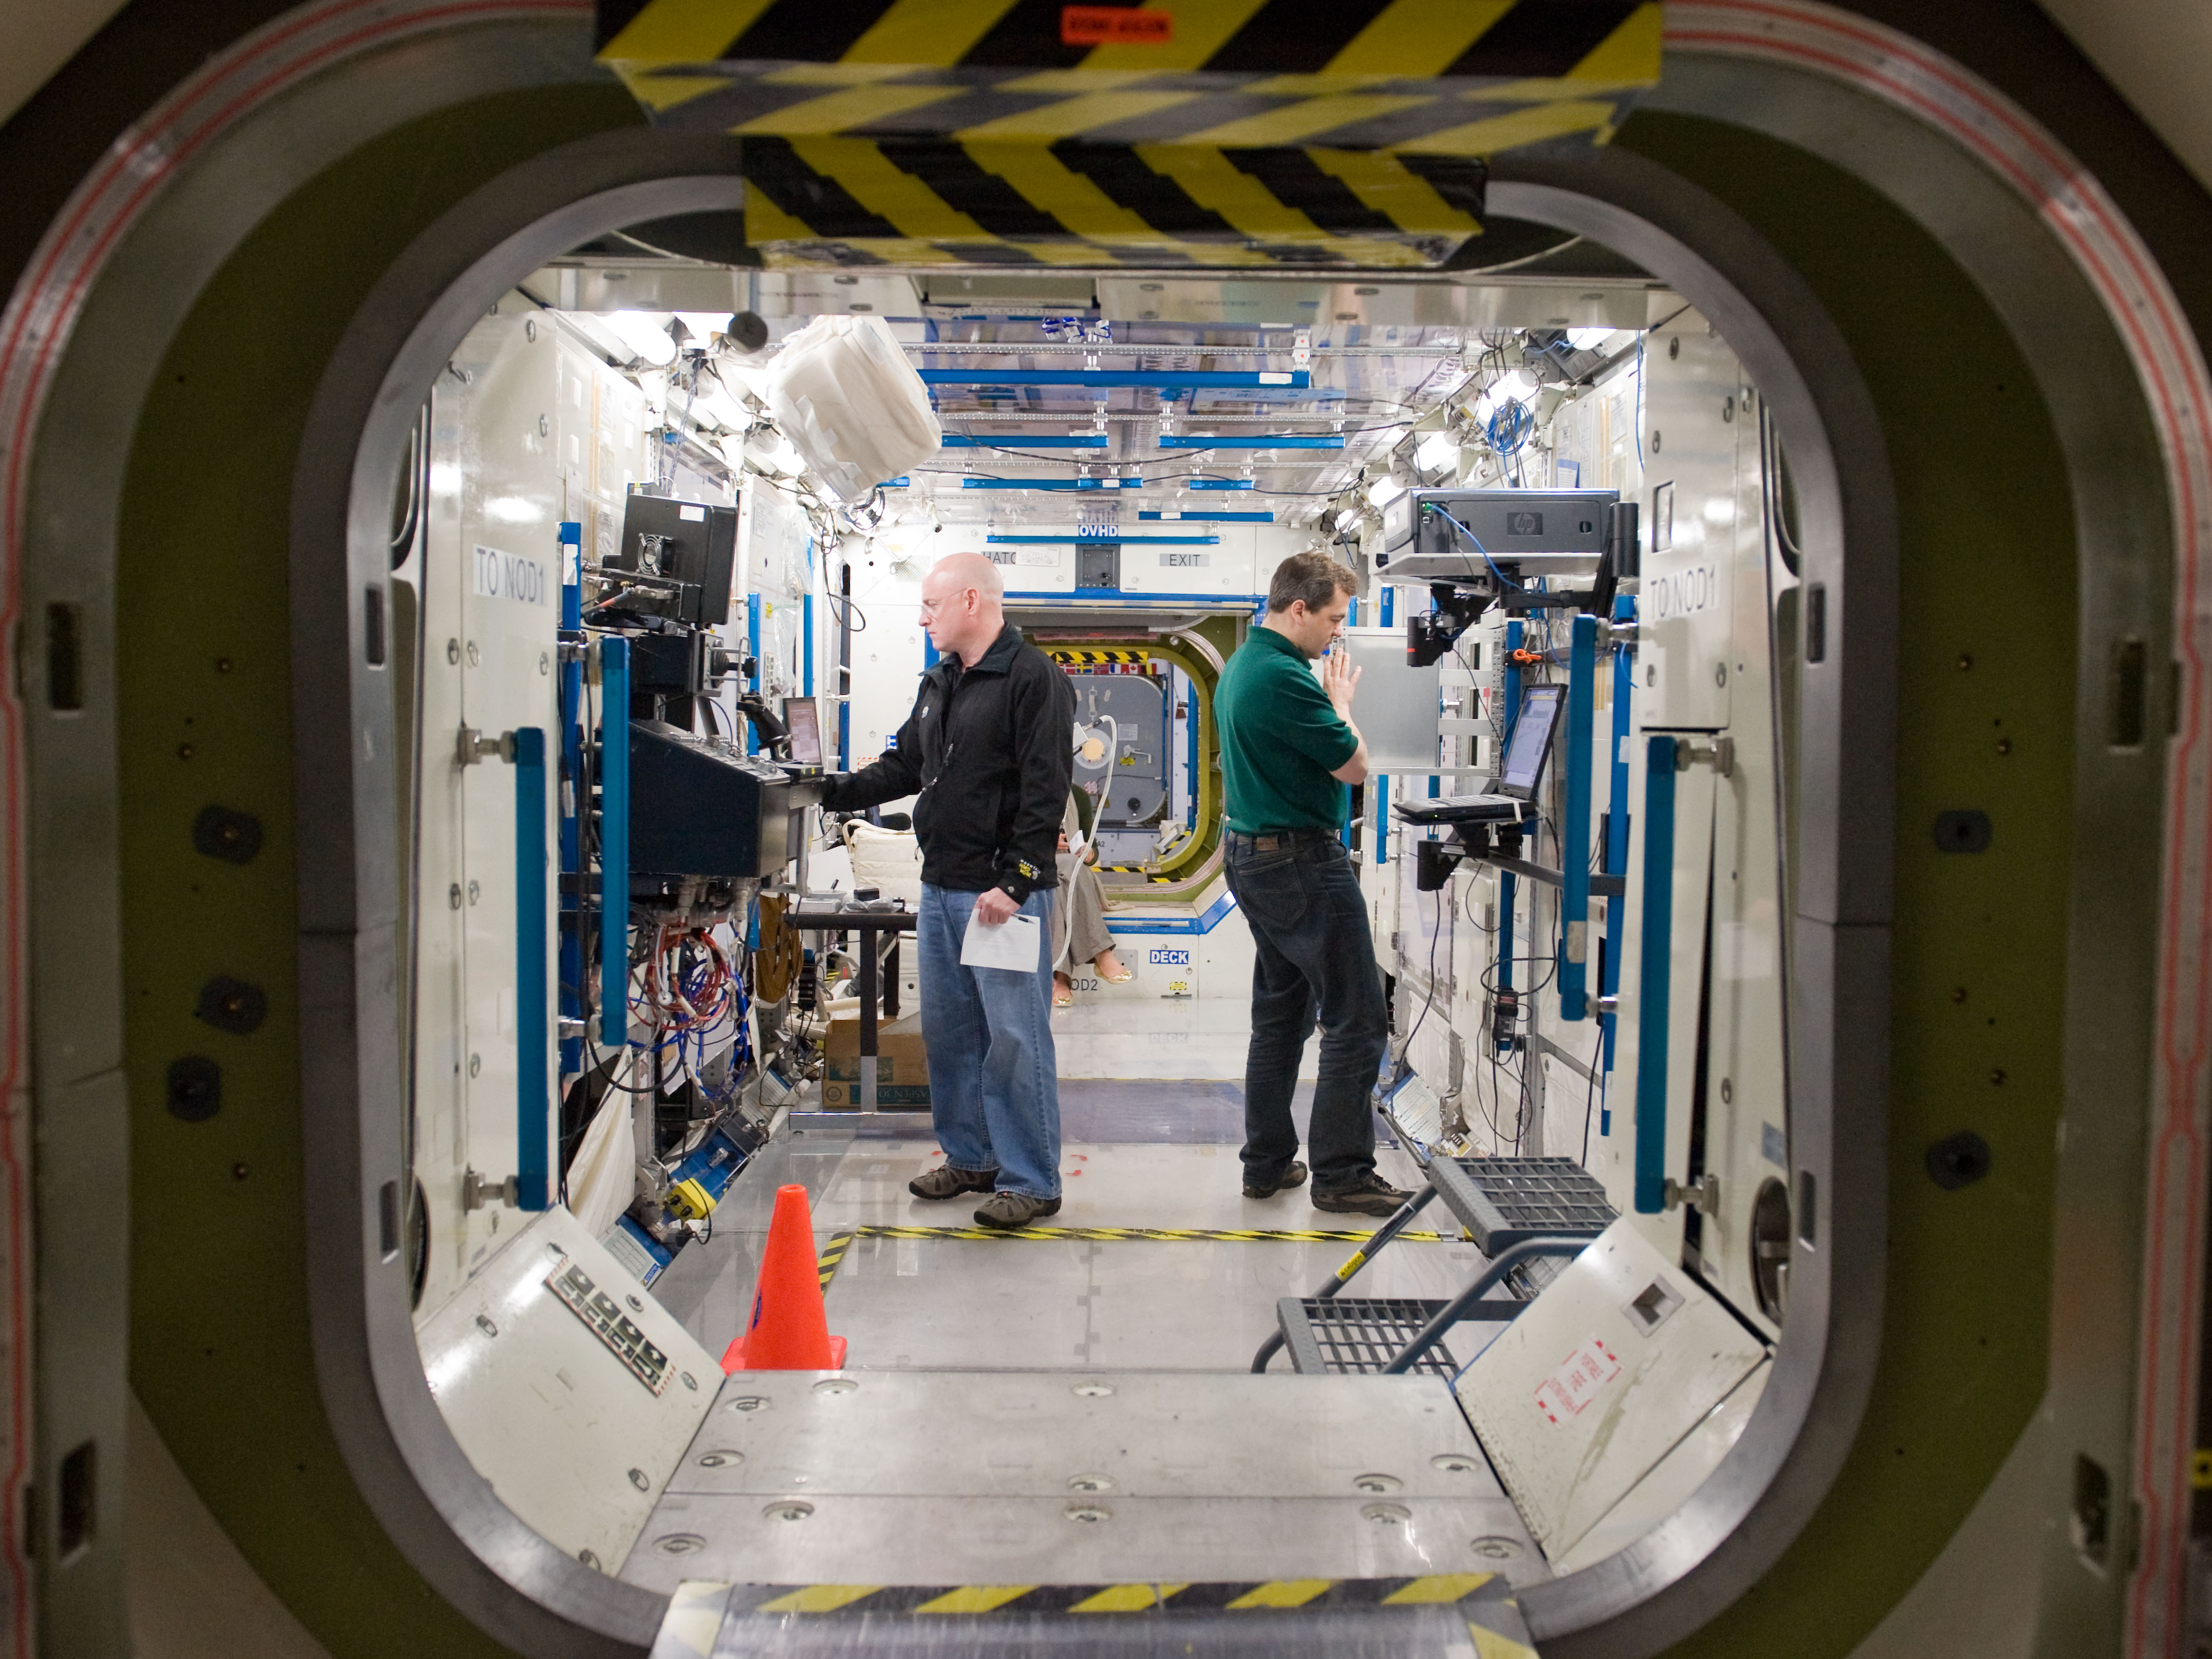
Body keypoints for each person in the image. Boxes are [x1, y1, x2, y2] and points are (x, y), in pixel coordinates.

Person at [821, 552, 1076, 1229]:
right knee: (952, 1034)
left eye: (931, 604)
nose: (923, 616)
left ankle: (1032, 1178)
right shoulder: (940, 680)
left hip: (997, 895)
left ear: (971, 600)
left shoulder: (1032, 678)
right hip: (941, 890)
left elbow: (1045, 789)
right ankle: (972, 1157)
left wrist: (1016, 880)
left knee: (1014, 1038)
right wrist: (826, 788)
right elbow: (907, 763)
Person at [1212, 550, 1411, 1217]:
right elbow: (1354, 766)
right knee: (1356, 1018)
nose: (1336, 633)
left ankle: (1265, 1163)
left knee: (1280, 1017)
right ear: (1297, 608)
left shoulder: (1242, 664)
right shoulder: (1285, 678)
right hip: (1300, 862)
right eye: (1330, 618)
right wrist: (1340, 702)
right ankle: (1342, 1173)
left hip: (1252, 856)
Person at [1052, 787, 1129, 1007]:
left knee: (1062, 880)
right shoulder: (1017, 787)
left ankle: (1061, 978)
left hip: (1068, 870)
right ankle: (1102, 953)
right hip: (1030, 864)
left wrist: (1089, 852)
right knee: (1065, 871)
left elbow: (1092, 847)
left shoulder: (1078, 796)